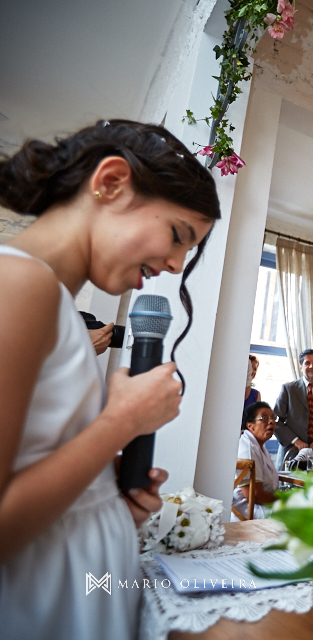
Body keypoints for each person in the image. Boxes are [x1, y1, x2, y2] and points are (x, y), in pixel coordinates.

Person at [0, 120, 220, 639]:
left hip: (85, 587)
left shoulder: (54, 301)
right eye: (177, 237)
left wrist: (103, 495)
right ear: (111, 182)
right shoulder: (20, 283)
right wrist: (122, 422)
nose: (173, 264)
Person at [233, 402, 279, 521]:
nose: (271, 421)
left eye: (273, 418)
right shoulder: (247, 448)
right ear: (250, 426)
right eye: (264, 418)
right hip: (247, 510)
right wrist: (283, 500)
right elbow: (254, 494)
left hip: (261, 505)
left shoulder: (260, 446)